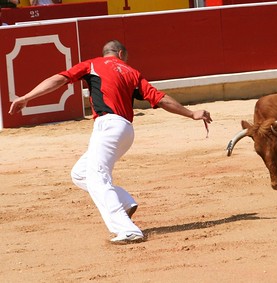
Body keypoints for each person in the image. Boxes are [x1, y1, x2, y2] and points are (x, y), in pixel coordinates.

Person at [9, 40, 213, 244]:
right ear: (121, 53)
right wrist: (191, 113)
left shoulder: (92, 64)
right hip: (125, 131)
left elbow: (59, 79)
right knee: (80, 173)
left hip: (107, 126)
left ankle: (128, 230)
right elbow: (160, 98)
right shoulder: (132, 72)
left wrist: (27, 97)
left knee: (98, 177)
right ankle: (124, 202)